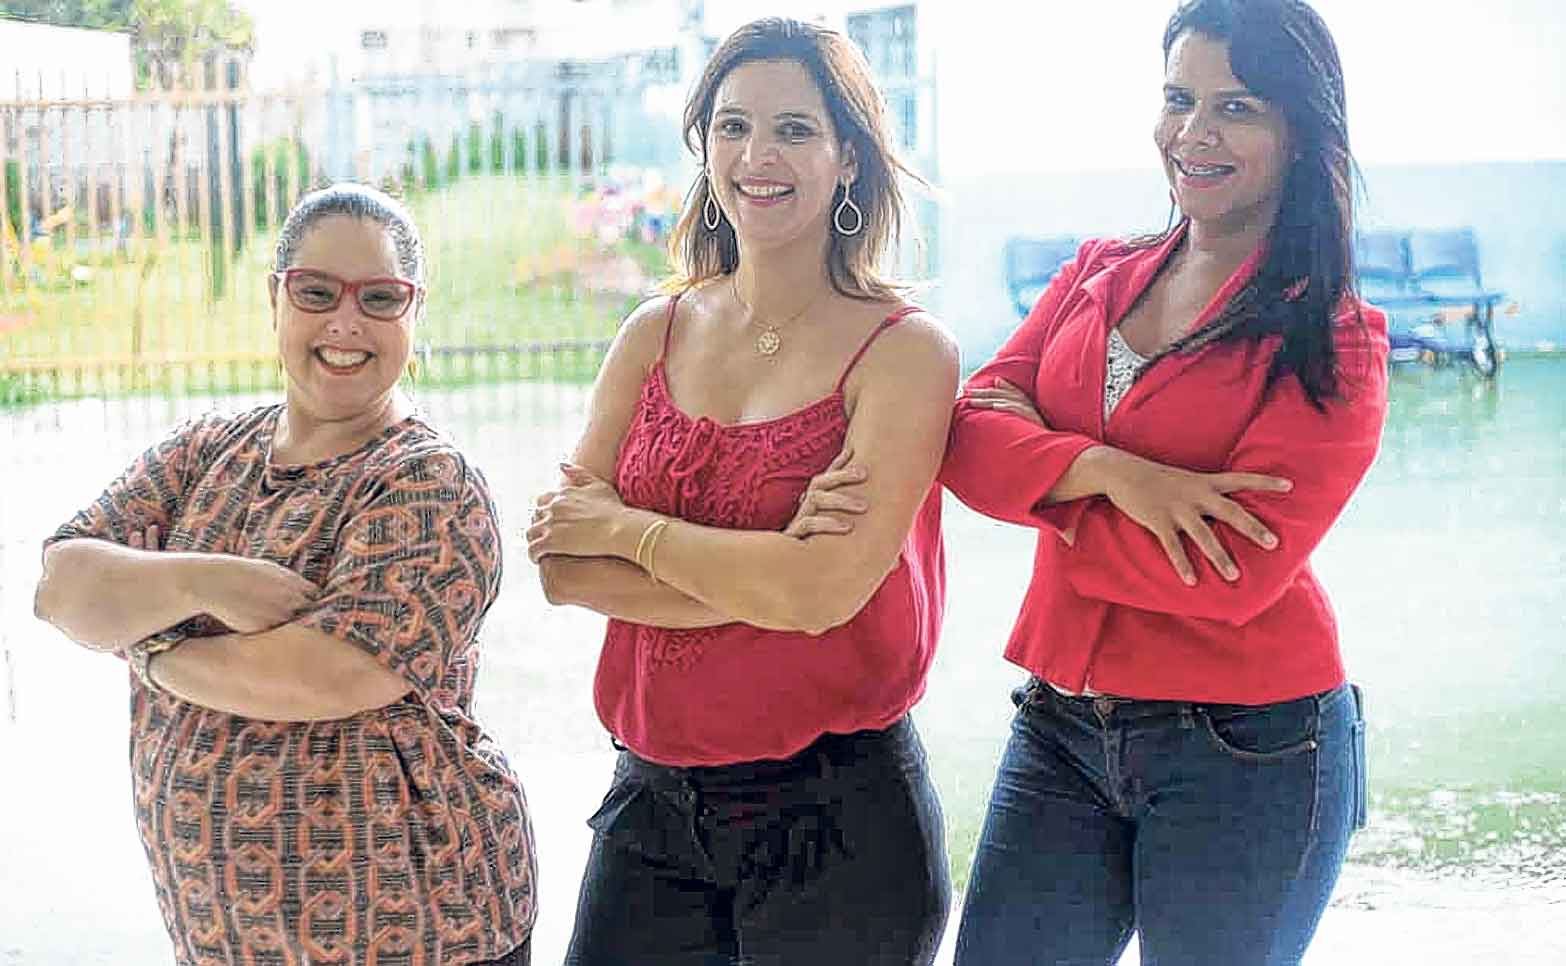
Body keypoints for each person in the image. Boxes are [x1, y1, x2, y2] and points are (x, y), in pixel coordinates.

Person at [940, 1, 1388, 963]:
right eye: (1179, 99)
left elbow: (1229, 573)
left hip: (1251, 746)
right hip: (1060, 724)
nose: (1195, 132)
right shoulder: (1096, 273)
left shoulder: (1337, 338)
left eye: (1237, 107)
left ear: (1301, 131)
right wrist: (1110, 474)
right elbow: (967, 434)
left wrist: (1042, 492)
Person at [525, 17, 958, 966]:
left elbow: (820, 595)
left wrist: (629, 531)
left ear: (849, 157)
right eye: (733, 126)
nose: (758, 156)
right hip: (649, 802)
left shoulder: (906, 354)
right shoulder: (653, 331)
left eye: (794, 129)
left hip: (837, 822)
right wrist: (770, 573)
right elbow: (562, 567)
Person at [33, 184, 536, 965]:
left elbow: (323, 675)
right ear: (275, 298)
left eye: (379, 297)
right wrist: (204, 583)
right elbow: (62, 588)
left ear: (414, 311)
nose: (346, 322)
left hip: (423, 929)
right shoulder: (205, 450)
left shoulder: (427, 481)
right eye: (316, 292)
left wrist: (150, 645)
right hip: (225, 939)